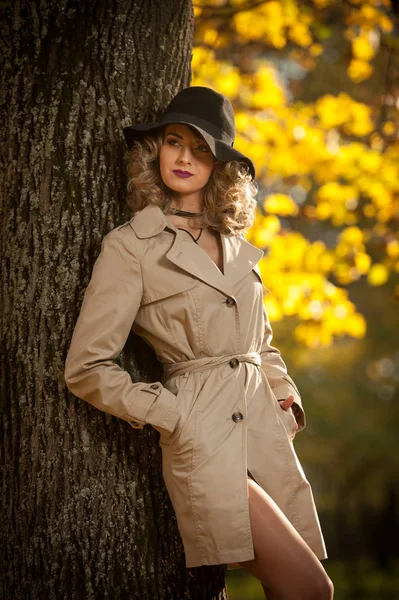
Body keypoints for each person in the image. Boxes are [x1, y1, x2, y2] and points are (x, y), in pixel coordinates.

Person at [64, 86, 333, 599]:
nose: (185, 157)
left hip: (263, 432)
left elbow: (261, 341)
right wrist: (171, 413)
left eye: (202, 148)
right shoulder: (131, 246)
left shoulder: (237, 245)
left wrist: (288, 399)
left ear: (220, 165)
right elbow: (87, 366)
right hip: (203, 436)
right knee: (310, 590)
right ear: (156, 151)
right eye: (173, 141)